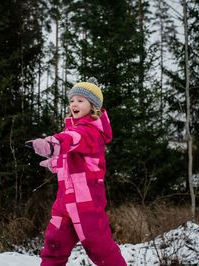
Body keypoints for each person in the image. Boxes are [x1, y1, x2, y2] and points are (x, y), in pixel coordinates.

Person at [27, 78, 127, 266]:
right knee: (53, 247)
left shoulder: (90, 132)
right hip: (64, 203)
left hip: (87, 204)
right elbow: (74, 161)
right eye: (72, 100)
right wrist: (55, 163)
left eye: (81, 100)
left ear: (93, 106)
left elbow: (71, 139)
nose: (74, 104)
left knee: (101, 250)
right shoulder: (74, 129)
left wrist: (52, 144)